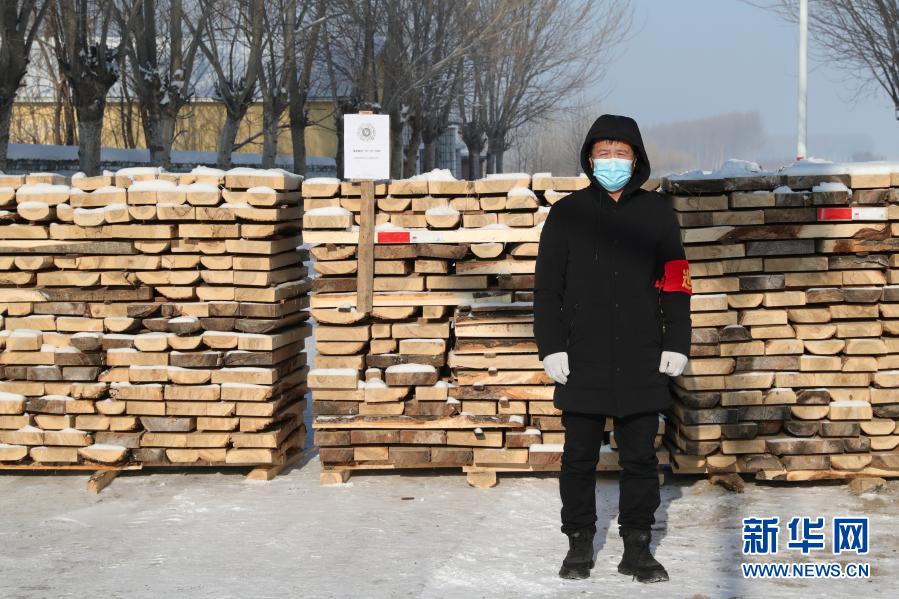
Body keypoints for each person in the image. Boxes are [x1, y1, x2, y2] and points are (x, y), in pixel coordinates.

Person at [533, 114, 693, 583]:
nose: (612, 160)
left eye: (621, 153)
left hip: (642, 354)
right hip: (581, 355)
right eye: (603, 152)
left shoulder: (657, 213)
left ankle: (637, 547)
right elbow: (547, 288)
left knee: (640, 458)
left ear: (636, 159)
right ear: (589, 157)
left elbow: (676, 282)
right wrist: (551, 346)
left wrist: (676, 341)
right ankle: (579, 541)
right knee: (578, 457)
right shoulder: (568, 213)